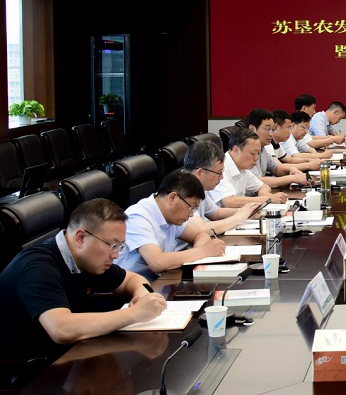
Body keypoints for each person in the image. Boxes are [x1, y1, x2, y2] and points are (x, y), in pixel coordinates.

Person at [0, 199, 167, 365]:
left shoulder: (87, 259)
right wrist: (135, 313)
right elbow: (61, 329)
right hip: (23, 367)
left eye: (120, 246)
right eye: (112, 245)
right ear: (80, 238)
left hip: (63, 356)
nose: (116, 255)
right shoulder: (37, 267)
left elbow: (133, 279)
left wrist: (142, 296)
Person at [115, 171, 226, 278]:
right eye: (191, 207)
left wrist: (197, 254)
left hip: (161, 280)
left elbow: (200, 235)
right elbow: (157, 262)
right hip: (133, 288)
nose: (192, 214)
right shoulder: (138, 217)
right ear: (172, 198)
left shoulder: (170, 215)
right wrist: (203, 251)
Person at [182, 140, 262, 235]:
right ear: (200, 173)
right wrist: (238, 218)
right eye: (219, 173)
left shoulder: (198, 186)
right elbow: (201, 229)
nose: (222, 177)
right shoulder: (183, 190)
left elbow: (216, 213)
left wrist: (246, 211)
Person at [208, 127, 291, 206]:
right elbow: (229, 202)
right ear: (236, 150)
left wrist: (263, 194)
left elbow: (263, 186)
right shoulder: (221, 168)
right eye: (252, 154)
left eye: (258, 154)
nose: (256, 158)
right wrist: (267, 199)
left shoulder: (242, 168)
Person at [243, 108, 309, 189]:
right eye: (268, 129)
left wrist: (292, 170)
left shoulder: (262, 148)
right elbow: (257, 181)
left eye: (272, 129)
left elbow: (275, 168)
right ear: (252, 129)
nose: (271, 134)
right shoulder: (245, 150)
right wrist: (292, 178)